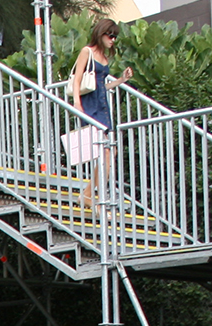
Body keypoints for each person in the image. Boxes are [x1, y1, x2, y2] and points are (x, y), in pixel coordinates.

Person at [67, 18, 133, 210]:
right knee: (105, 151)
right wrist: (77, 104)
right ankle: (89, 195)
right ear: (101, 33)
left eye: (115, 36)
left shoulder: (104, 57)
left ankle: (88, 194)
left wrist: (122, 80)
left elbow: (102, 86)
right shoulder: (87, 51)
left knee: (109, 151)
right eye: (110, 35)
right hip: (89, 105)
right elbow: (77, 79)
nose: (112, 39)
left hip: (102, 105)